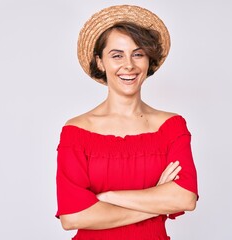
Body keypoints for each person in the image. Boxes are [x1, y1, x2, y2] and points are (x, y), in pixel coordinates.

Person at [55, 5, 198, 240]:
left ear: (148, 60)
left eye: (138, 54)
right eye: (117, 55)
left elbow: (185, 198)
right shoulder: (76, 132)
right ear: (100, 62)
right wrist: (156, 198)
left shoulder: (172, 127)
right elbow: (73, 217)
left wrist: (106, 196)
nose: (129, 65)